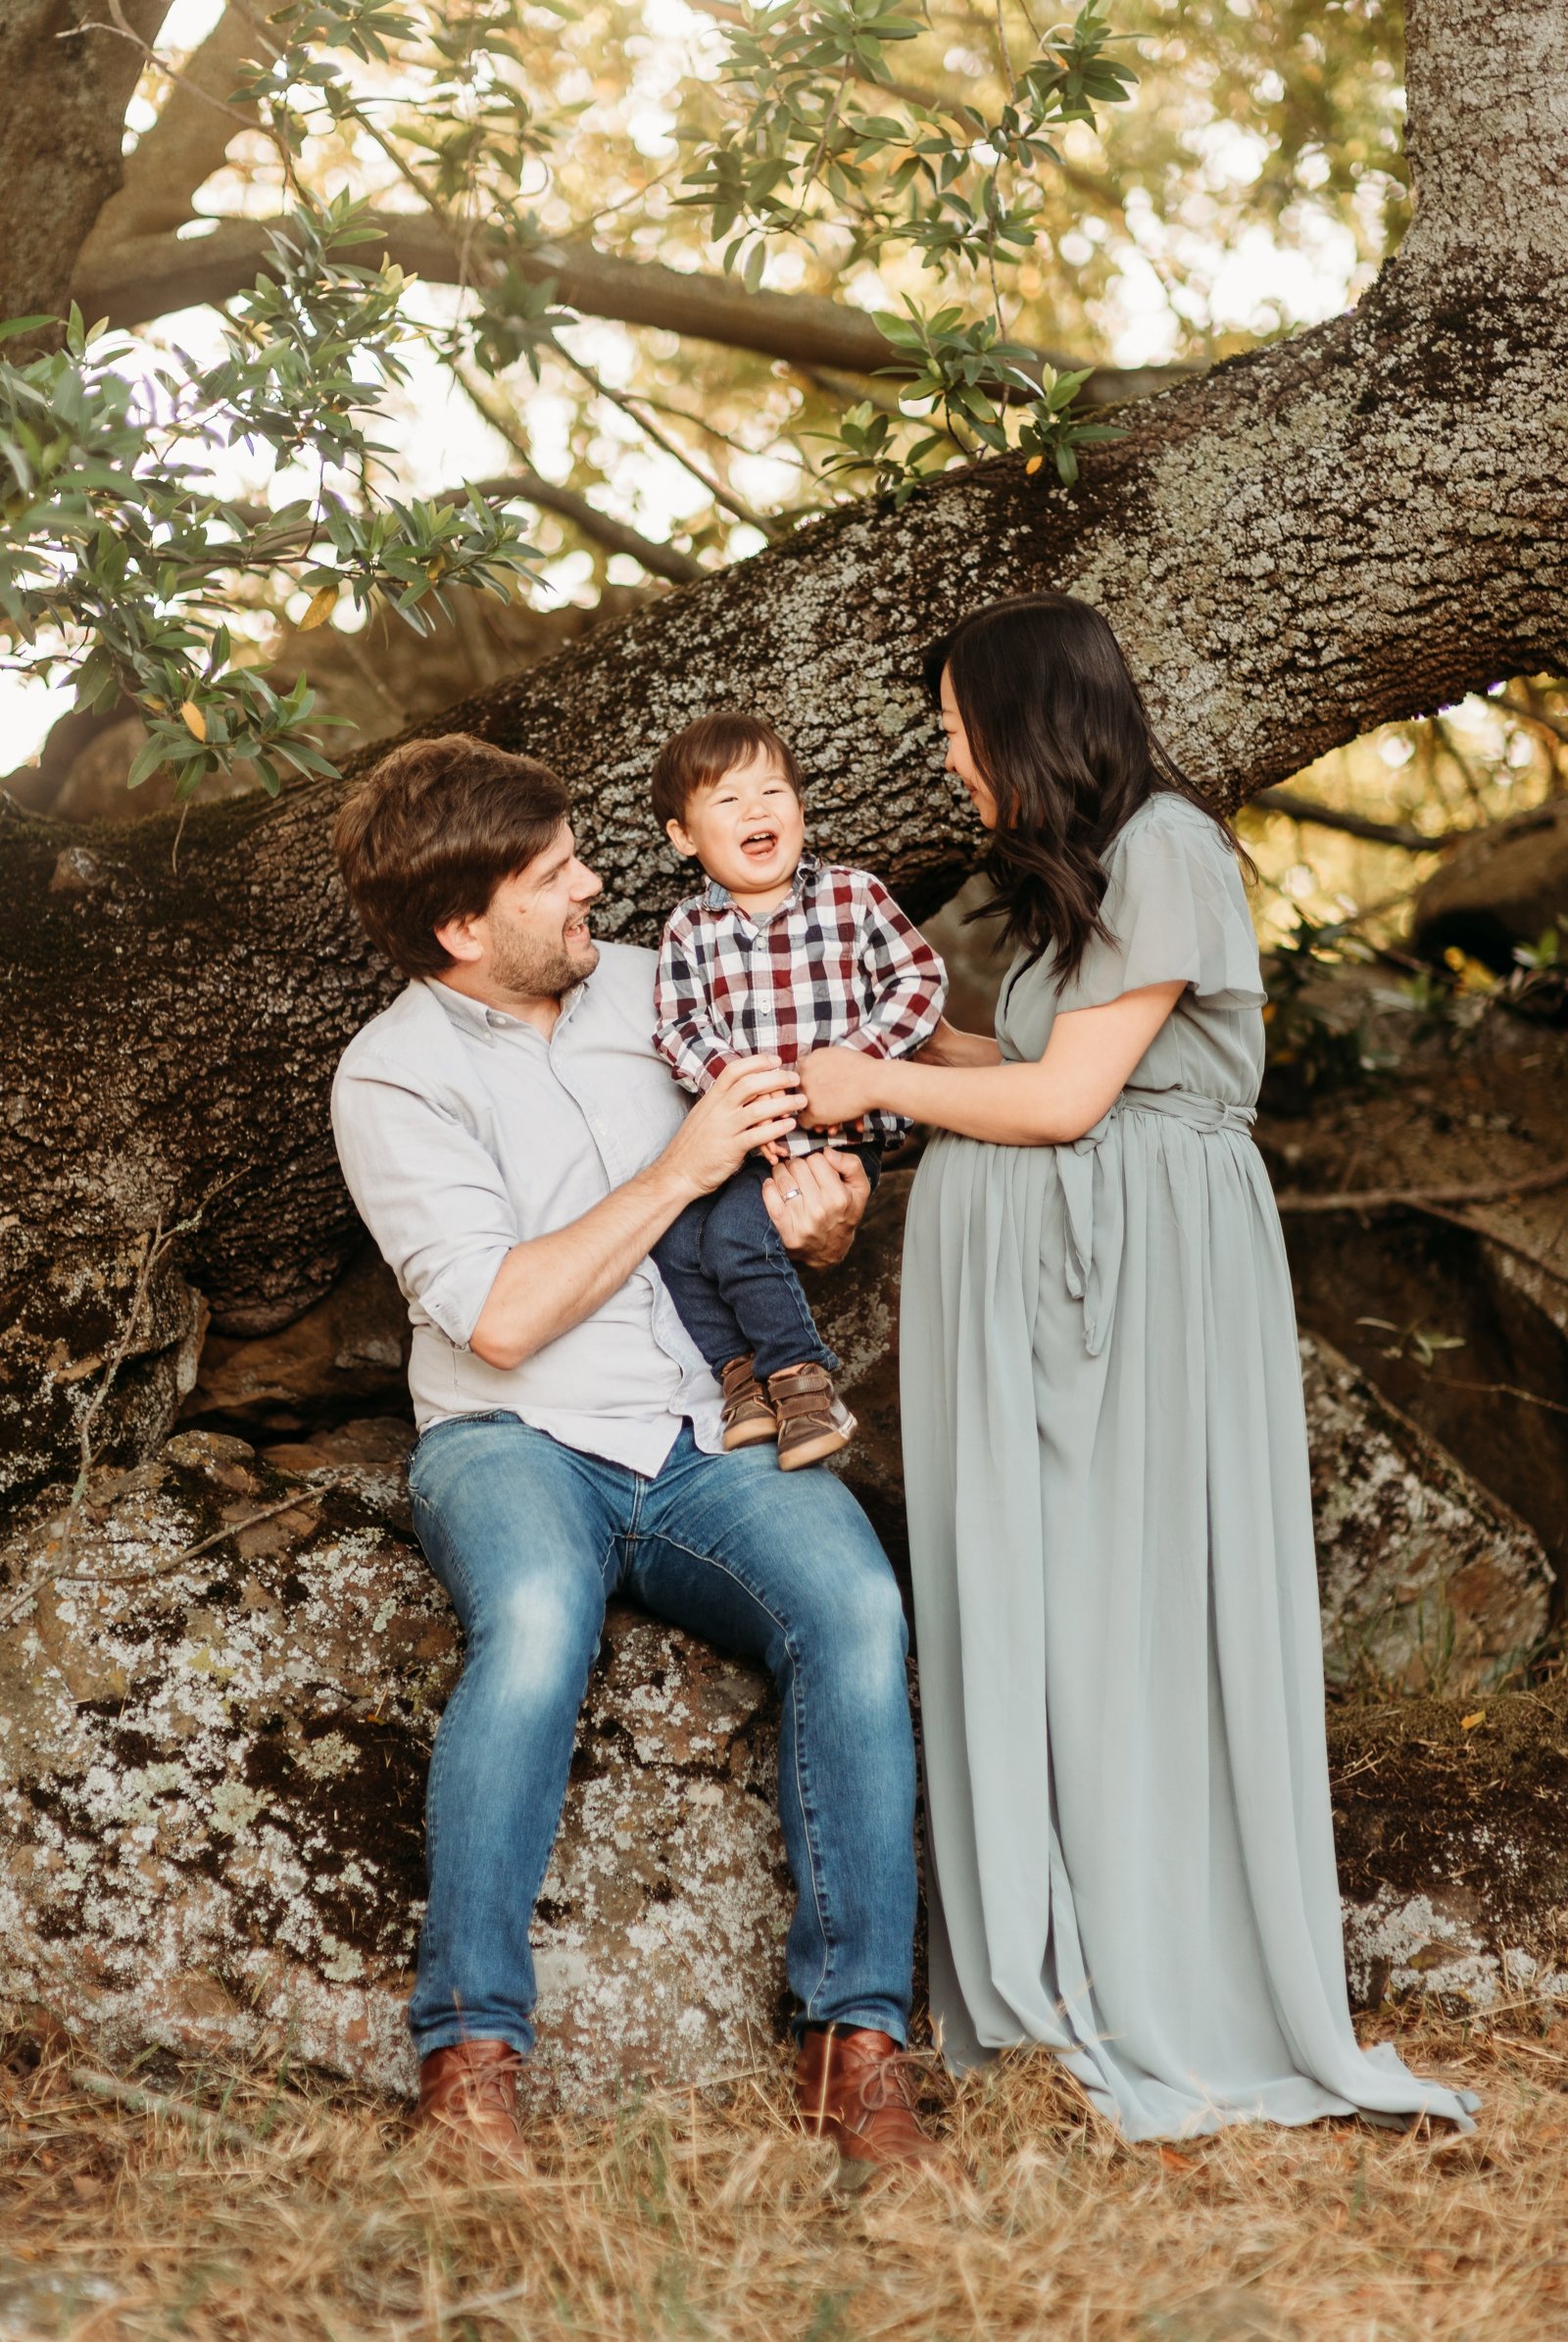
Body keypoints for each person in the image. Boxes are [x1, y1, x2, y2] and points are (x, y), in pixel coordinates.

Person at [797, 594, 1478, 2141]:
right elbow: (1029, 1069)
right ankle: (1074, 1951)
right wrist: (878, 1034)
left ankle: (1186, 1973)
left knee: (1144, 1608)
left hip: (1150, 1281)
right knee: (1055, 1616)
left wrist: (876, 1081)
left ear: (1030, 719)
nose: (951, 760)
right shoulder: (1076, 882)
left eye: (961, 730)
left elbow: (1073, 1103)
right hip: (1057, 1287)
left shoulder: (1167, 841)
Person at [329, 731, 938, 2176]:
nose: (596, 880)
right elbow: (497, 1316)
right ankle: (469, 2057)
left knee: (856, 1609)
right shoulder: (389, 1080)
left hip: (703, 1421)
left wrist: (822, 1208)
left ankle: (855, 2048)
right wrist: (680, 1164)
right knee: (536, 1624)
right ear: (461, 927)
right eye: (554, 876)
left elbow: (791, 1176)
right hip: (510, 1435)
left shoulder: (667, 983)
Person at [649, 710, 947, 1469]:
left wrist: (858, 1061)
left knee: (737, 1236)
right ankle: (740, 1378)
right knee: (678, 1239)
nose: (756, 811)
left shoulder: (851, 897)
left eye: (772, 791)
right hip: (750, 1141)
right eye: (728, 800)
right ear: (684, 837)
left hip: (839, 1141)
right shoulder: (689, 929)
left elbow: (919, 978)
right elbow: (680, 1026)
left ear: (800, 808)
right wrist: (741, 1088)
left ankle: (803, 1382)